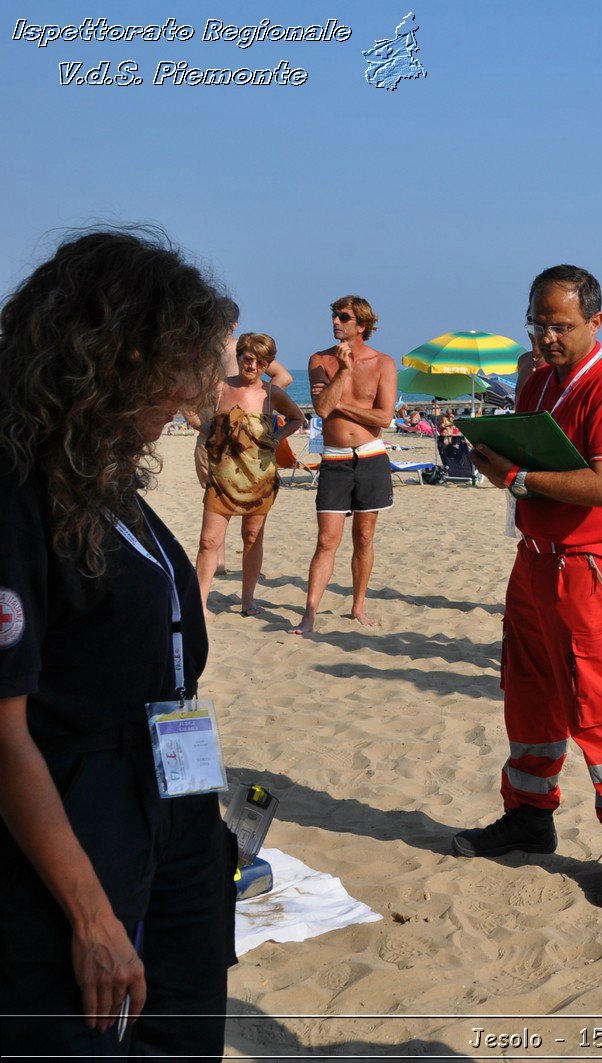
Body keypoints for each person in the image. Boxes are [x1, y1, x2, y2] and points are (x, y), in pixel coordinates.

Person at [0, 229, 237, 1057]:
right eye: (173, 372)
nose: (182, 401)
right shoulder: (18, 490)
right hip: (79, 822)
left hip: (173, 805)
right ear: (115, 354)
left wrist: (205, 835)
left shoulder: (98, 475)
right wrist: (90, 914)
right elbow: (4, 733)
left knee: (182, 1026)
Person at [453, 264, 602, 909]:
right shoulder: (538, 381)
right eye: (538, 323)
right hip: (537, 558)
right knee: (528, 690)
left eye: (560, 326)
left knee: (600, 705)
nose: (546, 337)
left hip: (589, 566)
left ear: (595, 322)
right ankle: (529, 816)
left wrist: (515, 478)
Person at [290, 296, 398, 634]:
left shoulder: (383, 364)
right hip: (334, 460)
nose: (336, 321)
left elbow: (383, 417)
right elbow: (321, 410)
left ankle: (357, 607)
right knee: (326, 541)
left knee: (364, 537)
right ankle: (309, 615)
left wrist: (341, 405)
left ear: (361, 325)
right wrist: (344, 374)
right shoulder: (319, 360)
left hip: (370, 456)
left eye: (344, 317)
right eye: (334, 315)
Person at [193, 332, 305, 615]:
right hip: (221, 477)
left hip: (259, 477)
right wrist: (209, 431)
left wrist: (277, 439)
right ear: (240, 357)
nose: (254, 366)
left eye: (262, 363)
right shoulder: (218, 388)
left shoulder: (271, 394)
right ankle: (199, 603)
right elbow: (188, 406)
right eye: (249, 359)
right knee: (208, 541)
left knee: (252, 536)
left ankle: (248, 601)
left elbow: (297, 419)